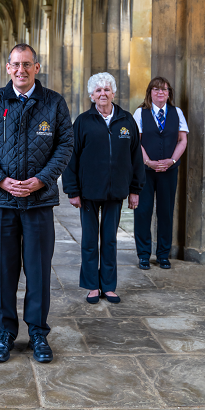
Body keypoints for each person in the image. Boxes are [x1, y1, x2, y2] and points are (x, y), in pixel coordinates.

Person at [0, 43, 73, 364]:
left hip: (39, 201)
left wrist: (42, 179)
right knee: (2, 269)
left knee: (39, 269)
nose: (21, 70)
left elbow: (65, 144)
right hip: (1, 200)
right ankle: (5, 331)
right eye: (16, 64)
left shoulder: (54, 103)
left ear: (37, 68)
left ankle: (38, 333)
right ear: (7, 67)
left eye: (27, 64)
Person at [62, 73, 145, 304]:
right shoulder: (82, 121)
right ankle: (91, 286)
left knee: (109, 240)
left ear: (114, 93)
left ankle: (108, 286)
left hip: (116, 191)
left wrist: (135, 189)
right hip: (88, 192)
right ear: (91, 95)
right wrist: (73, 191)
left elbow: (136, 158)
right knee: (90, 240)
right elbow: (71, 157)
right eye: (98, 91)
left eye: (107, 90)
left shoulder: (126, 120)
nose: (103, 94)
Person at [133, 76, 188, 270]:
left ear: (168, 93)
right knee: (143, 211)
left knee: (166, 212)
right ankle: (143, 255)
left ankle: (163, 255)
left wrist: (171, 160)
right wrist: (147, 161)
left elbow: (182, 140)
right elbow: (135, 142)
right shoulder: (140, 113)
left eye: (164, 89)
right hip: (145, 171)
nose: (160, 93)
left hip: (169, 171)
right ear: (150, 93)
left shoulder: (176, 112)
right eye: (156, 89)